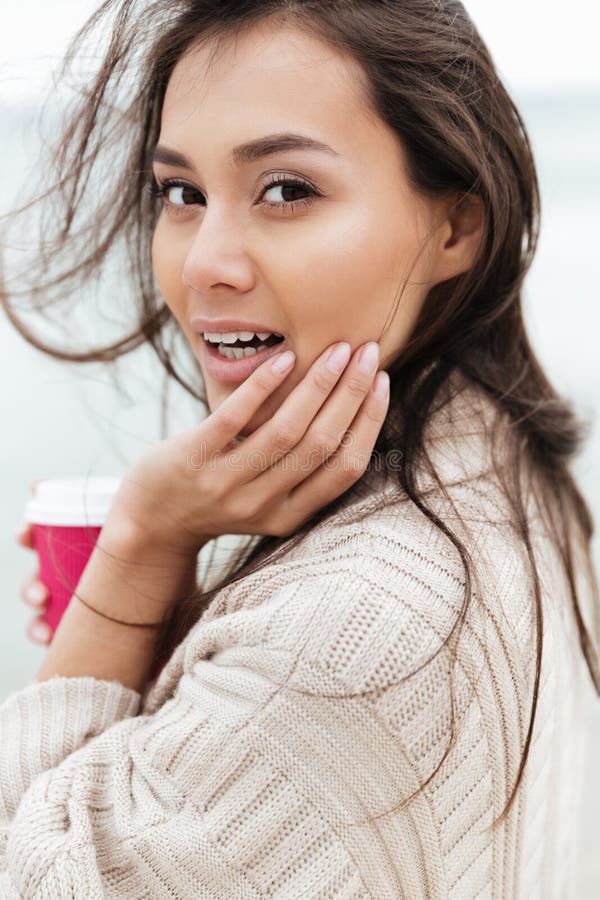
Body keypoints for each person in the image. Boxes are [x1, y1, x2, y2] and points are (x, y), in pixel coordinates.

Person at [1, 1, 598, 896]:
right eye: (181, 193)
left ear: (455, 229)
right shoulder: (498, 450)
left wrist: (136, 550)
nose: (206, 262)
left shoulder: (350, 631)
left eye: (287, 190)